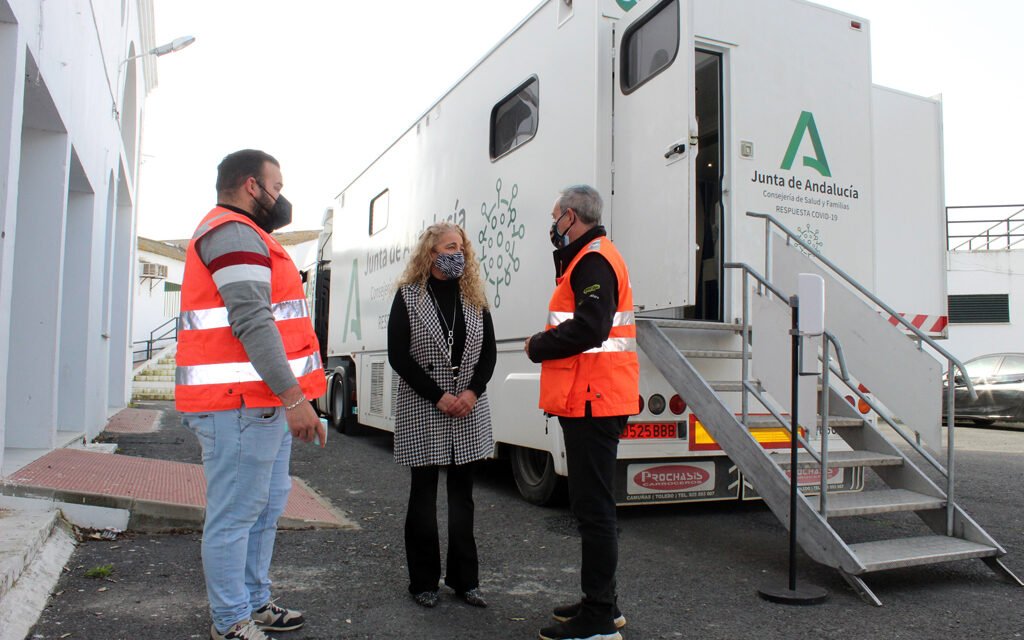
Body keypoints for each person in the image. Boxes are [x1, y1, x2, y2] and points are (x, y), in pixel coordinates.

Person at [177, 149, 327, 640]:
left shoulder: (249, 235)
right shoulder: (233, 233)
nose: (280, 198)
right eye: (276, 187)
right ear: (250, 186)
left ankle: (254, 601)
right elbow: (252, 320)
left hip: (258, 404)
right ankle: (230, 621)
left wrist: (288, 398)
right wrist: (294, 398)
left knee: (263, 506)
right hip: (238, 405)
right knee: (236, 514)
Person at [525, 185, 639, 640]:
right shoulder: (593, 257)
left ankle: (598, 618)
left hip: (594, 399)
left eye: (555, 217)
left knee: (593, 510)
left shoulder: (592, 259)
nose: (552, 226)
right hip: (595, 397)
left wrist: (538, 346)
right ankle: (602, 605)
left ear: (570, 217)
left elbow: (591, 327)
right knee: (592, 506)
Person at [387, 222, 496, 609]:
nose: (459, 253)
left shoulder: (474, 297)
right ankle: (423, 583)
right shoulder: (408, 296)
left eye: (462, 247)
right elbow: (398, 355)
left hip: (467, 408)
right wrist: (438, 396)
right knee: (423, 495)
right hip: (424, 405)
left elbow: (489, 354)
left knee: (462, 498)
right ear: (431, 253)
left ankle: (465, 580)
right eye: (451, 246)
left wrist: (471, 392)